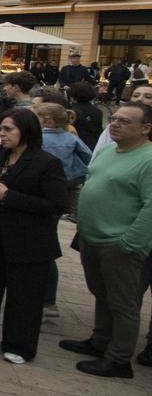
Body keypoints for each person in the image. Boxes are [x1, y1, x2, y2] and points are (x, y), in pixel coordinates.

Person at [0, 109, 66, 364]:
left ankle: (19, 344)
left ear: (26, 131)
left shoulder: (46, 163)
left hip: (29, 240)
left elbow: (56, 203)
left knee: (25, 295)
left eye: (8, 129)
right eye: (0, 129)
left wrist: (10, 196)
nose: (2, 134)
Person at [60, 102, 152, 378]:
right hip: (94, 238)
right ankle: (100, 341)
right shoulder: (111, 151)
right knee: (102, 293)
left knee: (124, 302)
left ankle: (119, 358)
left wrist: (130, 242)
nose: (115, 124)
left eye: (125, 121)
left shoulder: (147, 159)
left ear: (146, 129)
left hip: (119, 242)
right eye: (115, 118)